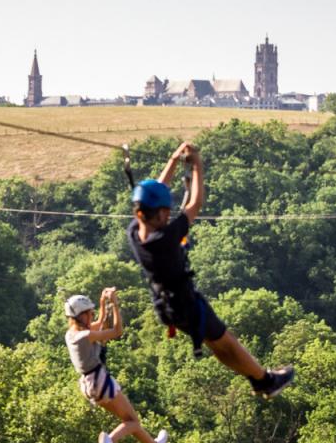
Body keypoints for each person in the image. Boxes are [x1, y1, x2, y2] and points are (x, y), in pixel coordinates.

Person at [126, 141, 294, 399]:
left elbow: (157, 190)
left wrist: (173, 159)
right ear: (155, 213)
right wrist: (198, 166)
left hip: (168, 306)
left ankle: (259, 378)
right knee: (226, 342)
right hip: (185, 304)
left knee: (219, 344)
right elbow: (195, 203)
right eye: (164, 212)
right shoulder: (165, 239)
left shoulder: (135, 233)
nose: (168, 215)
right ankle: (264, 379)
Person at [64, 287, 168, 443]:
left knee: (128, 422)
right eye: (89, 313)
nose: (92, 316)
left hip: (89, 386)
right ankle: (109, 440)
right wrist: (115, 304)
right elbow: (117, 331)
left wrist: (103, 304)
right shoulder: (86, 335)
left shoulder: (72, 335)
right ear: (81, 315)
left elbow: (100, 323)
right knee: (133, 421)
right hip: (101, 382)